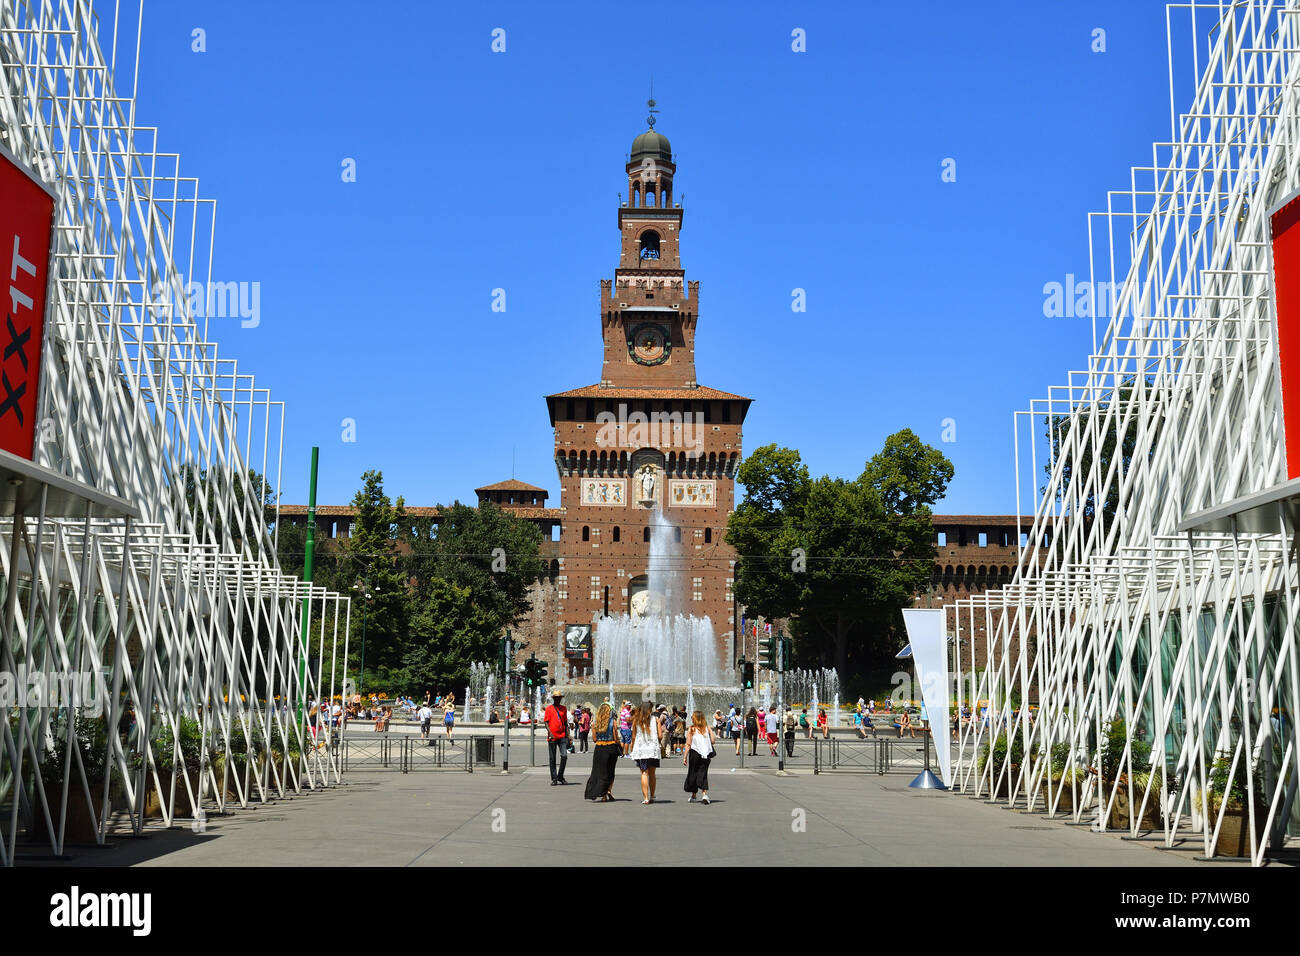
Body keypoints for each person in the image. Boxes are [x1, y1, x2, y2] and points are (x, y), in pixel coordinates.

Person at [584, 702, 620, 802]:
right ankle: (608, 790)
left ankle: (603, 794)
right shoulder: (613, 721)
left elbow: (595, 739)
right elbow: (616, 736)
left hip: (599, 749)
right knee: (610, 771)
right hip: (611, 747)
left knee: (600, 772)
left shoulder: (595, 723)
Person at [629, 702, 664, 804]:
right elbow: (660, 736)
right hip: (653, 750)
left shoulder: (636, 720)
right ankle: (652, 795)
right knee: (652, 774)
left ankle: (645, 798)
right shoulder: (656, 720)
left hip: (641, 750)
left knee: (644, 773)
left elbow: (634, 737)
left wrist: (632, 748)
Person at [683, 710, 715, 803]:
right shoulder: (707, 727)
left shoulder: (692, 729)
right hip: (706, 754)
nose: (691, 718)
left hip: (695, 753)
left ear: (696, 718)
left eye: (692, 717)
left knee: (693, 773)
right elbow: (713, 741)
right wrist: (710, 731)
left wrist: (685, 757)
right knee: (703, 773)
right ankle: (704, 795)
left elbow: (688, 744)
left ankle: (694, 795)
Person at [543, 690, 570, 785]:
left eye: (559, 698)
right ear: (553, 698)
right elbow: (546, 722)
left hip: (562, 735)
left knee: (564, 756)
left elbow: (565, 722)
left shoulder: (564, 708)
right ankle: (554, 778)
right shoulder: (549, 709)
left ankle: (560, 776)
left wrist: (568, 735)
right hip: (552, 736)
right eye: (556, 698)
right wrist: (550, 733)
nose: (558, 699)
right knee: (552, 758)